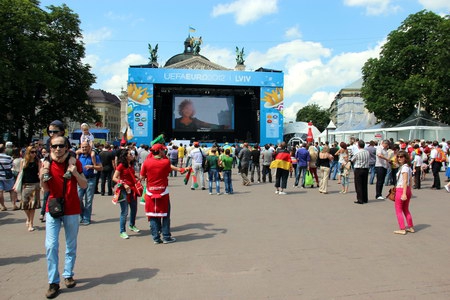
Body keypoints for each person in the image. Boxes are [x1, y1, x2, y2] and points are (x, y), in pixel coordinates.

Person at [41, 135, 87, 299]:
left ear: (67, 147)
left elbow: (84, 184)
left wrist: (75, 173)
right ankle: (53, 282)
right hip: (53, 208)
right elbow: (45, 189)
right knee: (51, 245)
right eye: (54, 146)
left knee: (70, 244)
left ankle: (68, 274)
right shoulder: (47, 163)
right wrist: (42, 176)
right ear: (50, 148)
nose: (58, 149)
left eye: (61, 146)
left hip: (72, 208)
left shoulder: (74, 162)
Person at [140, 143, 186, 244]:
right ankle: (166, 237)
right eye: (163, 150)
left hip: (150, 192)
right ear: (160, 151)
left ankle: (156, 238)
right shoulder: (165, 162)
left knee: (152, 215)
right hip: (163, 192)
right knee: (165, 215)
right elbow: (168, 168)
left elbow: (142, 176)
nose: (164, 151)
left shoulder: (146, 163)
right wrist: (179, 169)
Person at [112, 148, 140, 239]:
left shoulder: (130, 164)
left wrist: (136, 176)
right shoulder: (121, 165)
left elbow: (130, 174)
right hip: (124, 190)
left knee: (134, 208)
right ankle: (122, 231)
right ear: (125, 156)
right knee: (124, 211)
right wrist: (124, 184)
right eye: (130, 154)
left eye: (132, 154)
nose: (132, 155)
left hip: (132, 189)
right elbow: (114, 178)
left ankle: (132, 225)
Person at [15, 146, 42, 231]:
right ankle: (28, 218)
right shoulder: (23, 161)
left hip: (35, 184)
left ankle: (31, 223)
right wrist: (17, 184)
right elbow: (20, 174)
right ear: (28, 152)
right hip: (25, 185)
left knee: (32, 206)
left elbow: (40, 173)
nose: (34, 154)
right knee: (25, 205)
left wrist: (42, 184)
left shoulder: (38, 161)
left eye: (35, 152)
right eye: (32, 152)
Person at [77, 142, 103, 225]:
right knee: (78, 198)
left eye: (86, 147)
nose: (84, 149)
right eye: (82, 147)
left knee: (88, 200)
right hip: (80, 180)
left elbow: (100, 168)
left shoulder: (94, 156)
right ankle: (81, 215)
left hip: (90, 179)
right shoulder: (79, 155)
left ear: (89, 147)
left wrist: (92, 166)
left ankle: (86, 218)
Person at [393, 150, 414, 235]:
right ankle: (410, 226)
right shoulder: (408, 167)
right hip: (406, 189)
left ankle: (402, 228)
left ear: (405, 158)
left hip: (402, 189)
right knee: (405, 209)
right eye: (398, 157)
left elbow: (405, 181)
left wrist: (404, 193)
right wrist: (409, 191)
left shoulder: (404, 168)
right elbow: (410, 180)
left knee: (398, 210)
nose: (399, 158)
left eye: (401, 157)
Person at [0, 144, 18, 211]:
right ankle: (14, 205)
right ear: (4, 150)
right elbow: (12, 166)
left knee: (0, 192)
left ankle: (3, 206)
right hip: (8, 176)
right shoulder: (9, 158)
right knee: (11, 190)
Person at [351, 140, 370, 204]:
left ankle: (360, 199)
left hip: (358, 169)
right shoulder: (367, 152)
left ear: (358, 145)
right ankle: (365, 198)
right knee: (364, 184)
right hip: (366, 169)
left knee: (358, 185)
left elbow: (352, 160)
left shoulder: (357, 153)